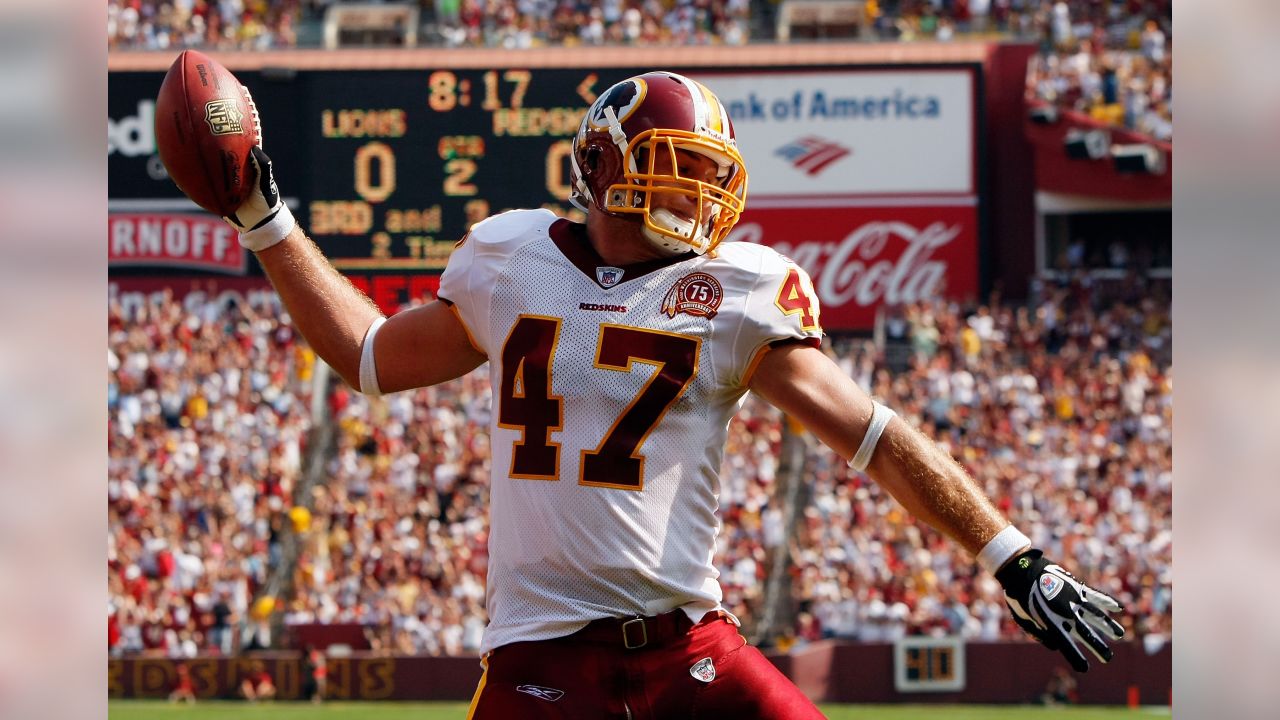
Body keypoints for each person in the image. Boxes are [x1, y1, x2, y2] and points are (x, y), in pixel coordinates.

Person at [220, 71, 1124, 718]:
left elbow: (872, 433)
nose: (698, 191)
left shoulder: (736, 288)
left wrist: (1013, 556)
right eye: (674, 164)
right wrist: (268, 224)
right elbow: (371, 355)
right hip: (541, 660)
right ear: (605, 167)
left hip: (692, 647)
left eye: (707, 170)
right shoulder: (510, 258)